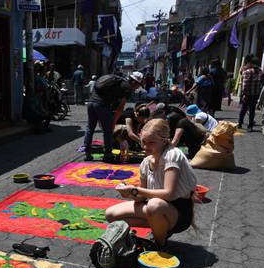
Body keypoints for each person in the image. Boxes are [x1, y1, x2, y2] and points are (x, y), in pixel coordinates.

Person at [105, 119, 198, 247]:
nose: (145, 146)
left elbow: (169, 194)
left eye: (151, 142)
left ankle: (160, 244)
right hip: (157, 208)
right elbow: (142, 197)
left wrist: (135, 190)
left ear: (164, 140)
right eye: (143, 142)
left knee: (154, 205)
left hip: (178, 212)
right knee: (110, 215)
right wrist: (129, 192)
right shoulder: (145, 162)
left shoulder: (172, 155)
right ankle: (158, 227)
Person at [83, 71, 142, 162]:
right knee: (108, 131)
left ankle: (87, 154)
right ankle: (108, 155)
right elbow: (120, 108)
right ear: (134, 82)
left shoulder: (117, 81)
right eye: (138, 85)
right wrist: (113, 122)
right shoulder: (127, 88)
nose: (138, 87)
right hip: (102, 105)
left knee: (90, 128)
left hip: (91, 102)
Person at [239, 56, 264, 131]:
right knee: (252, 110)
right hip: (255, 94)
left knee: (243, 110)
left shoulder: (247, 72)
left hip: (247, 94)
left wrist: (243, 94)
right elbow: (263, 84)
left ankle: (240, 124)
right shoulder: (261, 72)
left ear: (251, 64)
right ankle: (250, 126)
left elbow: (245, 84)